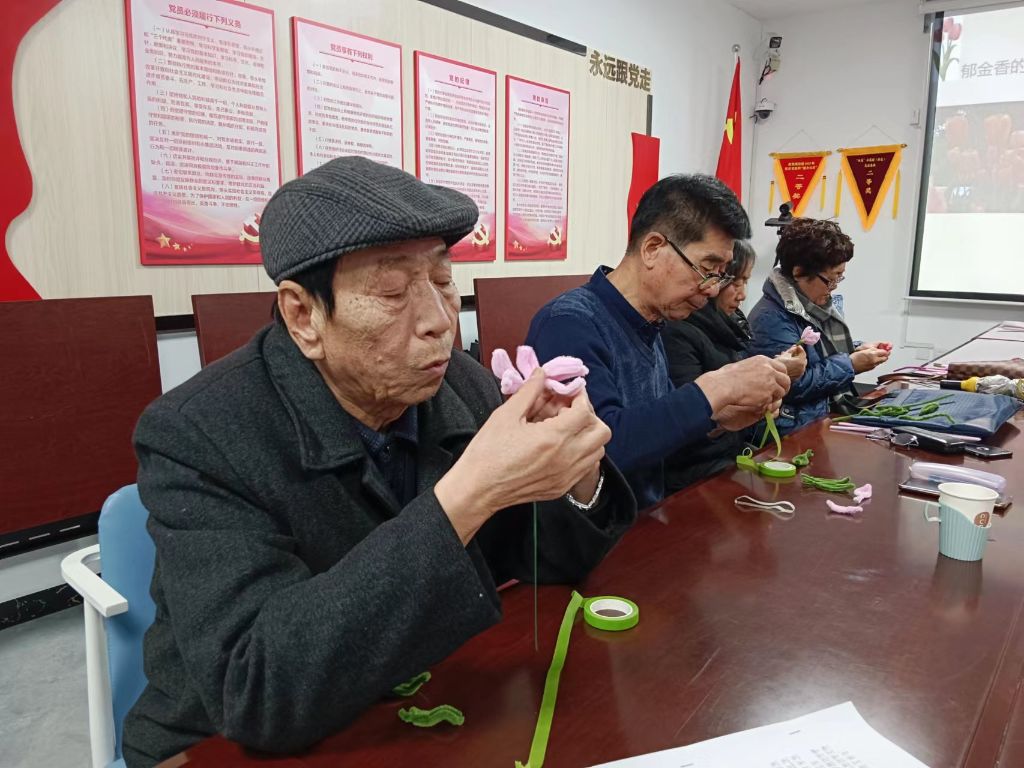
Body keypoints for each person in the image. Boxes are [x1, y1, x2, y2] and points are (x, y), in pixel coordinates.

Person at [122, 157, 637, 767]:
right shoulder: (200, 433)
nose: (439, 322)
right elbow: (255, 689)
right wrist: (467, 496)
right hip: (221, 743)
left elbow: (541, 561)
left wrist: (575, 471)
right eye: (393, 293)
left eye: (443, 281)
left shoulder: (458, 386)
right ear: (303, 316)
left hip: (412, 699)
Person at [526, 174, 792, 509]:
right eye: (707, 268)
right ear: (653, 248)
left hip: (648, 517)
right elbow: (599, 451)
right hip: (596, 533)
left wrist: (718, 420)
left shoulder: (651, 321)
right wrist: (715, 389)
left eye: (720, 274)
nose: (713, 289)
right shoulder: (569, 323)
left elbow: (655, 433)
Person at [661, 241, 806, 492]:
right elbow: (687, 429)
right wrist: (775, 374)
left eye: (745, 282)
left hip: (729, 458)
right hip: (696, 475)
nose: (743, 295)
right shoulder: (678, 333)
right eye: (735, 283)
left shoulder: (729, 326)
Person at [747, 217, 891, 433]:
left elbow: (819, 353)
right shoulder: (770, 318)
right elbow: (792, 385)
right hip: (790, 430)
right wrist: (851, 365)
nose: (834, 287)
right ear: (798, 272)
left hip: (817, 416)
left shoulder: (810, 305)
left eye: (839, 278)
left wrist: (855, 350)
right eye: (830, 279)